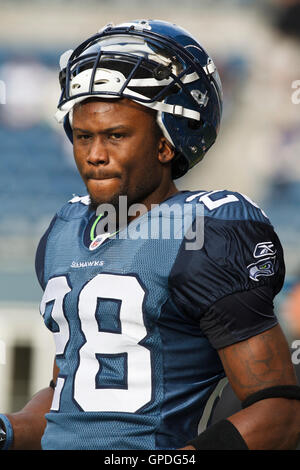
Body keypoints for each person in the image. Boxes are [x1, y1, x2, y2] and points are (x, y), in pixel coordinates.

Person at [1, 19, 300, 451]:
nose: (95, 156)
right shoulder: (65, 231)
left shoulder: (205, 232)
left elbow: (279, 412)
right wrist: (9, 430)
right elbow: (73, 399)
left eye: (116, 136)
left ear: (166, 144)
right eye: (83, 137)